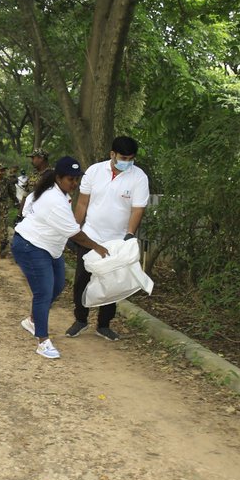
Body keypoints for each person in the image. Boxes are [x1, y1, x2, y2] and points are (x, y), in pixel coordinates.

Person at [11, 157, 109, 359]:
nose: (74, 184)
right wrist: (98, 247)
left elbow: (28, 205)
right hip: (31, 247)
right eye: (70, 180)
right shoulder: (54, 200)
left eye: (76, 180)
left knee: (57, 285)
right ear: (58, 178)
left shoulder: (55, 193)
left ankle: (32, 320)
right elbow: (76, 235)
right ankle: (42, 341)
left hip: (50, 248)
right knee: (44, 292)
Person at [66, 136, 151, 341]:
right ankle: (80, 319)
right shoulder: (95, 171)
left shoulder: (139, 177)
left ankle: (104, 325)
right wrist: (75, 230)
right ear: (112, 154)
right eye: (123, 157)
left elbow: (137, 209)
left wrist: (129, 235)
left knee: (111, 283)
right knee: (81, 280)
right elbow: (82, 203)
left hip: (116, 240)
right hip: (90, 236)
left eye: (131, 158)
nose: (127, 162)